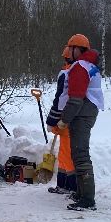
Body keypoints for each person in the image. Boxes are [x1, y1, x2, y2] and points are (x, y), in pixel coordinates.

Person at [57, 33, 105, 211]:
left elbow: (75, 99)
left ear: (78, 49)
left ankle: (87, 199)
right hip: (87, 112)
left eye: (71, 48)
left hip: (81, 114)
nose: (69, 52)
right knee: (77, 154)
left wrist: (64, 119)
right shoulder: (90, 65)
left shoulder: (79, 67)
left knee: (81, 154)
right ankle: (81, 192)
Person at [45, 46, 77, 196]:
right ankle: (63, 185)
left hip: (67, 119)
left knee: (68, 154)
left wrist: (52, 120)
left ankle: (72, 187)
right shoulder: (82, 70)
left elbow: (60, 99)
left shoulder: (66, 73)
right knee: (64, 153)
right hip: (73, 118)